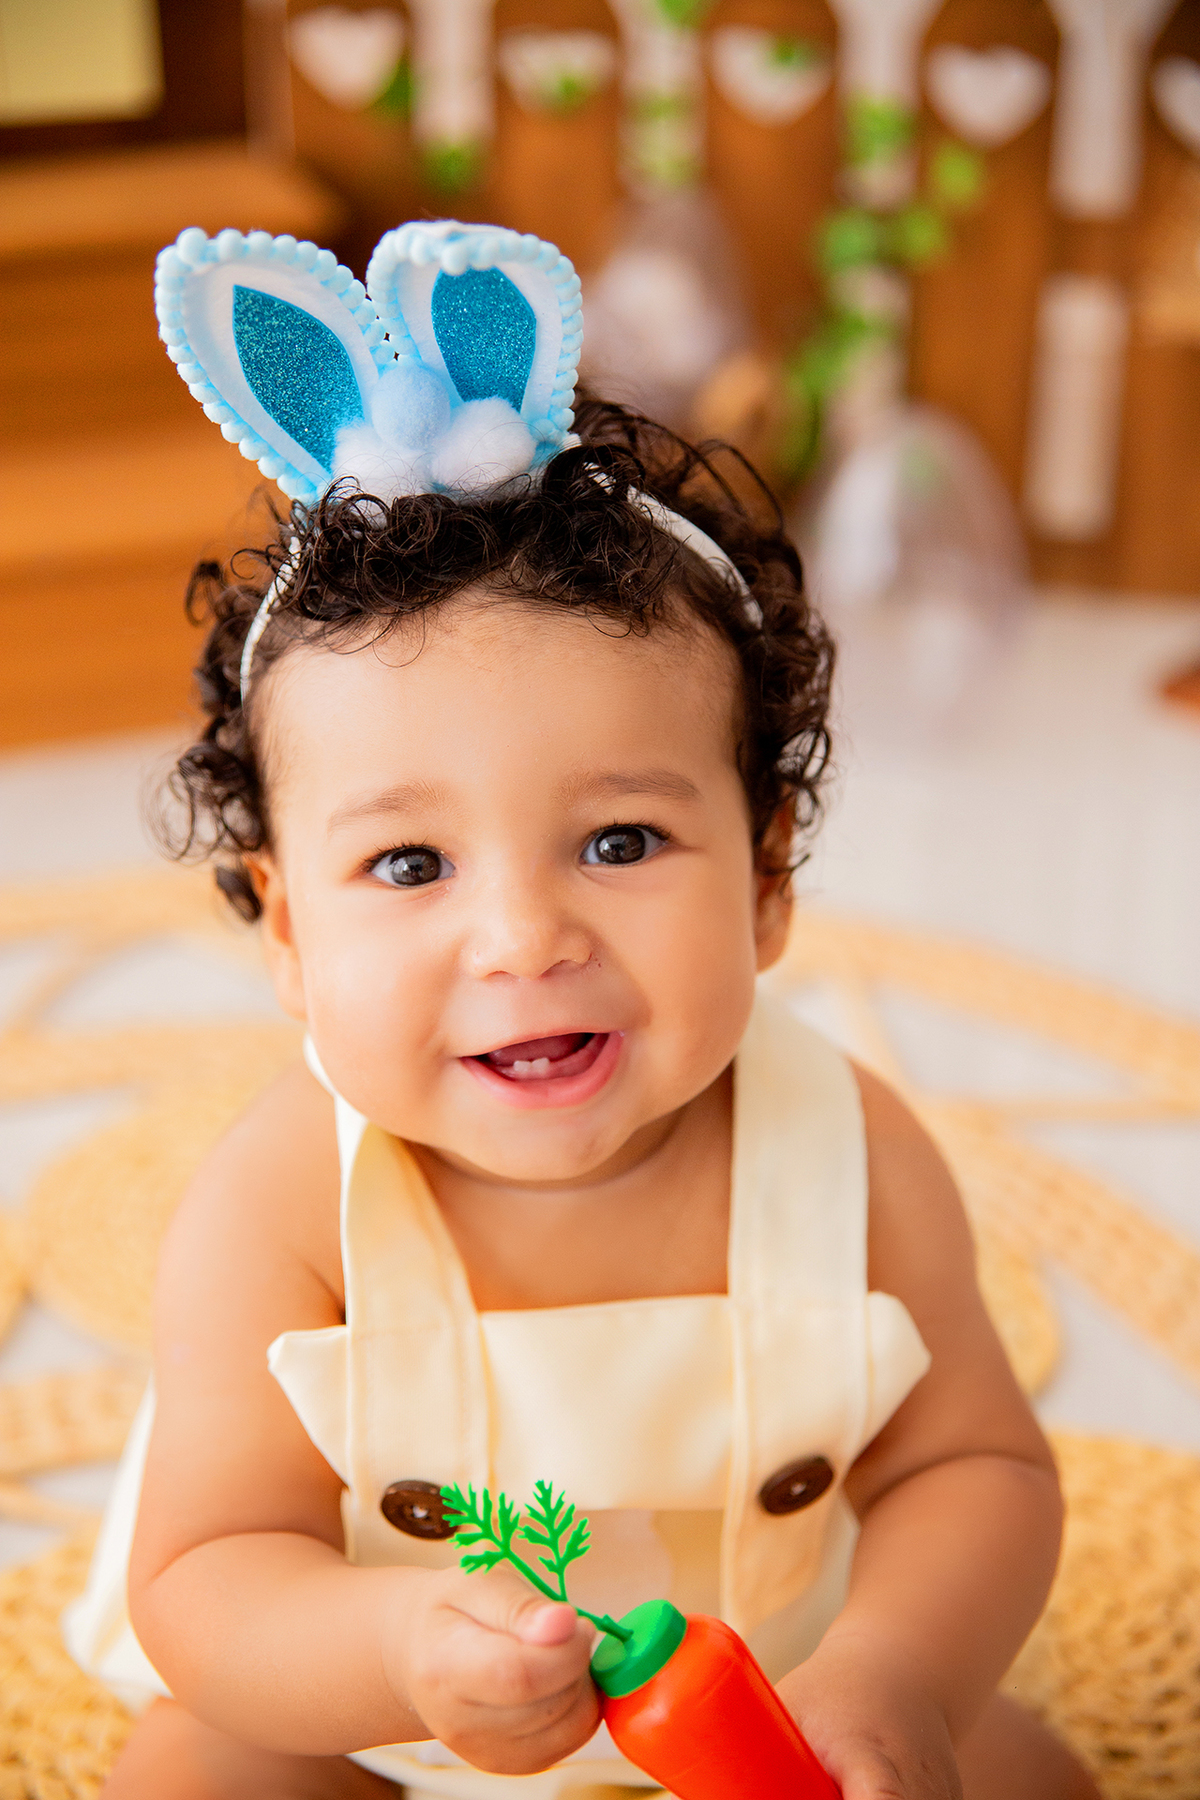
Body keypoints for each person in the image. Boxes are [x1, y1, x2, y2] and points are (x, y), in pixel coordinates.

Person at [69, 221, 1100, 1800]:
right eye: (408, 862)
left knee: (1027, 1770)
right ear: (288, 936)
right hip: (377, 1714)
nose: (524, 937)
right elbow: (208, 1572)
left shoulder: (850, 1154)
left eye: (620, 842)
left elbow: (975, 1469)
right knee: (195, 1771)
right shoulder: (282, 1208)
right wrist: (404, 1653)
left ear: (764, 882)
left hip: (770, 1702)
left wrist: (893, 1673)